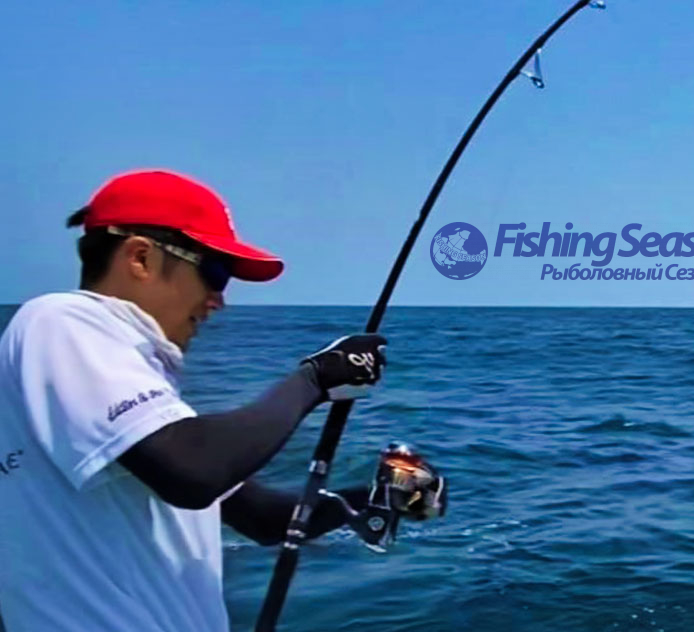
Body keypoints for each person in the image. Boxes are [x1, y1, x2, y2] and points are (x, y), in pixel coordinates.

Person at [0, 170, 397, 631]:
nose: (218, 300)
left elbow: (264, 519)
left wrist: (373, 499)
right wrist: (315, 379)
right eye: (215, 271)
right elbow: (193, 472)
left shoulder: (135, 396)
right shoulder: (58, 321)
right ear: (140, 258)